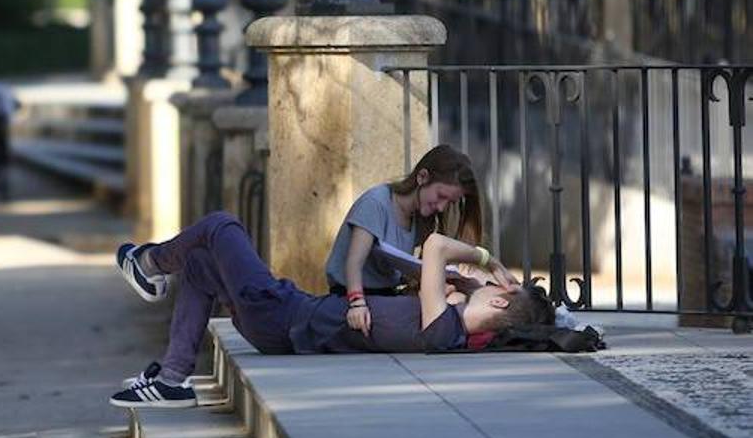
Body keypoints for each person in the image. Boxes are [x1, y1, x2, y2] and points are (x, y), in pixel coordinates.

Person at [109, 211, 552, 408]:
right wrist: (468, 282)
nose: (490, 280)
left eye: (495, 286)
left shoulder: (444, 328)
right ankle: (171, 379)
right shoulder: (450, 323)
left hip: (284, 319)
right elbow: (433, 270)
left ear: (499, 299)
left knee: (221, 225)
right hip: (291, 312)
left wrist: (486, 259)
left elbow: (436, 246)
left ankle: (146, 263)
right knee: (203, 265)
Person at [325, 145, 483, 338]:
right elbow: (353, 264)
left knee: (455, 300)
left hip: (387, 295)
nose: (441, 208)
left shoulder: (421, 218)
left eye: (449, 202)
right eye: (441, 196)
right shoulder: (376, 203)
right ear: (422, 177)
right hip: (353, 297)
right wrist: (357, 304)